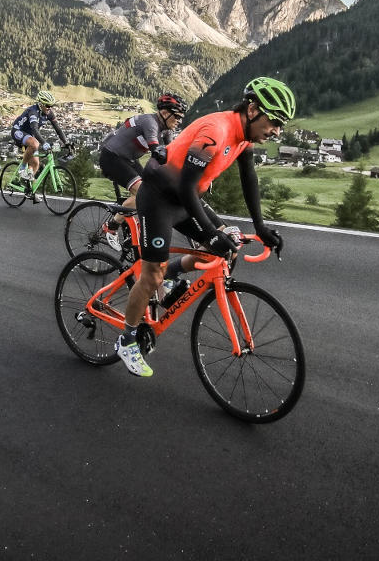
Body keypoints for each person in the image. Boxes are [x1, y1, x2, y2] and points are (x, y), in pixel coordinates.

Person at [112, 77, 292, 377]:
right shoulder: (216, 131)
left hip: (185, 197)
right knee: (151, 274)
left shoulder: (243, 135)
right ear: (252, 110)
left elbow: (249, 179)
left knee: (226, 251)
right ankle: (127, 339)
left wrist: (260, 227)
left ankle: (169, 275)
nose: (276, 131)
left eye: (281, 125)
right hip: (159, 197)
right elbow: (185, 187)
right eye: (274, 121)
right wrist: (211, 233)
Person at [97, 93, 188, 247]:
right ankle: (110, 227)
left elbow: (173, 152)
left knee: (153, 190)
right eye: (177, 117)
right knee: (142, 193)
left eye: (181, 118)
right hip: (112, 158)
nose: (179, 121)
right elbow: (157, 150)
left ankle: (134, 220)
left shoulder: (166, 129)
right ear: (165, 113)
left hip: (128, 159)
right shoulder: (150, 123)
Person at [9, 90, 70, 193]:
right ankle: (22, 169)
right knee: (35, 143)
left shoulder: (49, 113)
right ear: (41, 104)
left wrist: (67, 143)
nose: (50, 108)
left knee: (36, 164)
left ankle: (26, 186)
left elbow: (58, 129)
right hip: (18, 131)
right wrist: (44, 143)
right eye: (47, 105)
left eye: (52, 105)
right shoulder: (33, 111)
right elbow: (34, 129)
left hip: (30, 136)